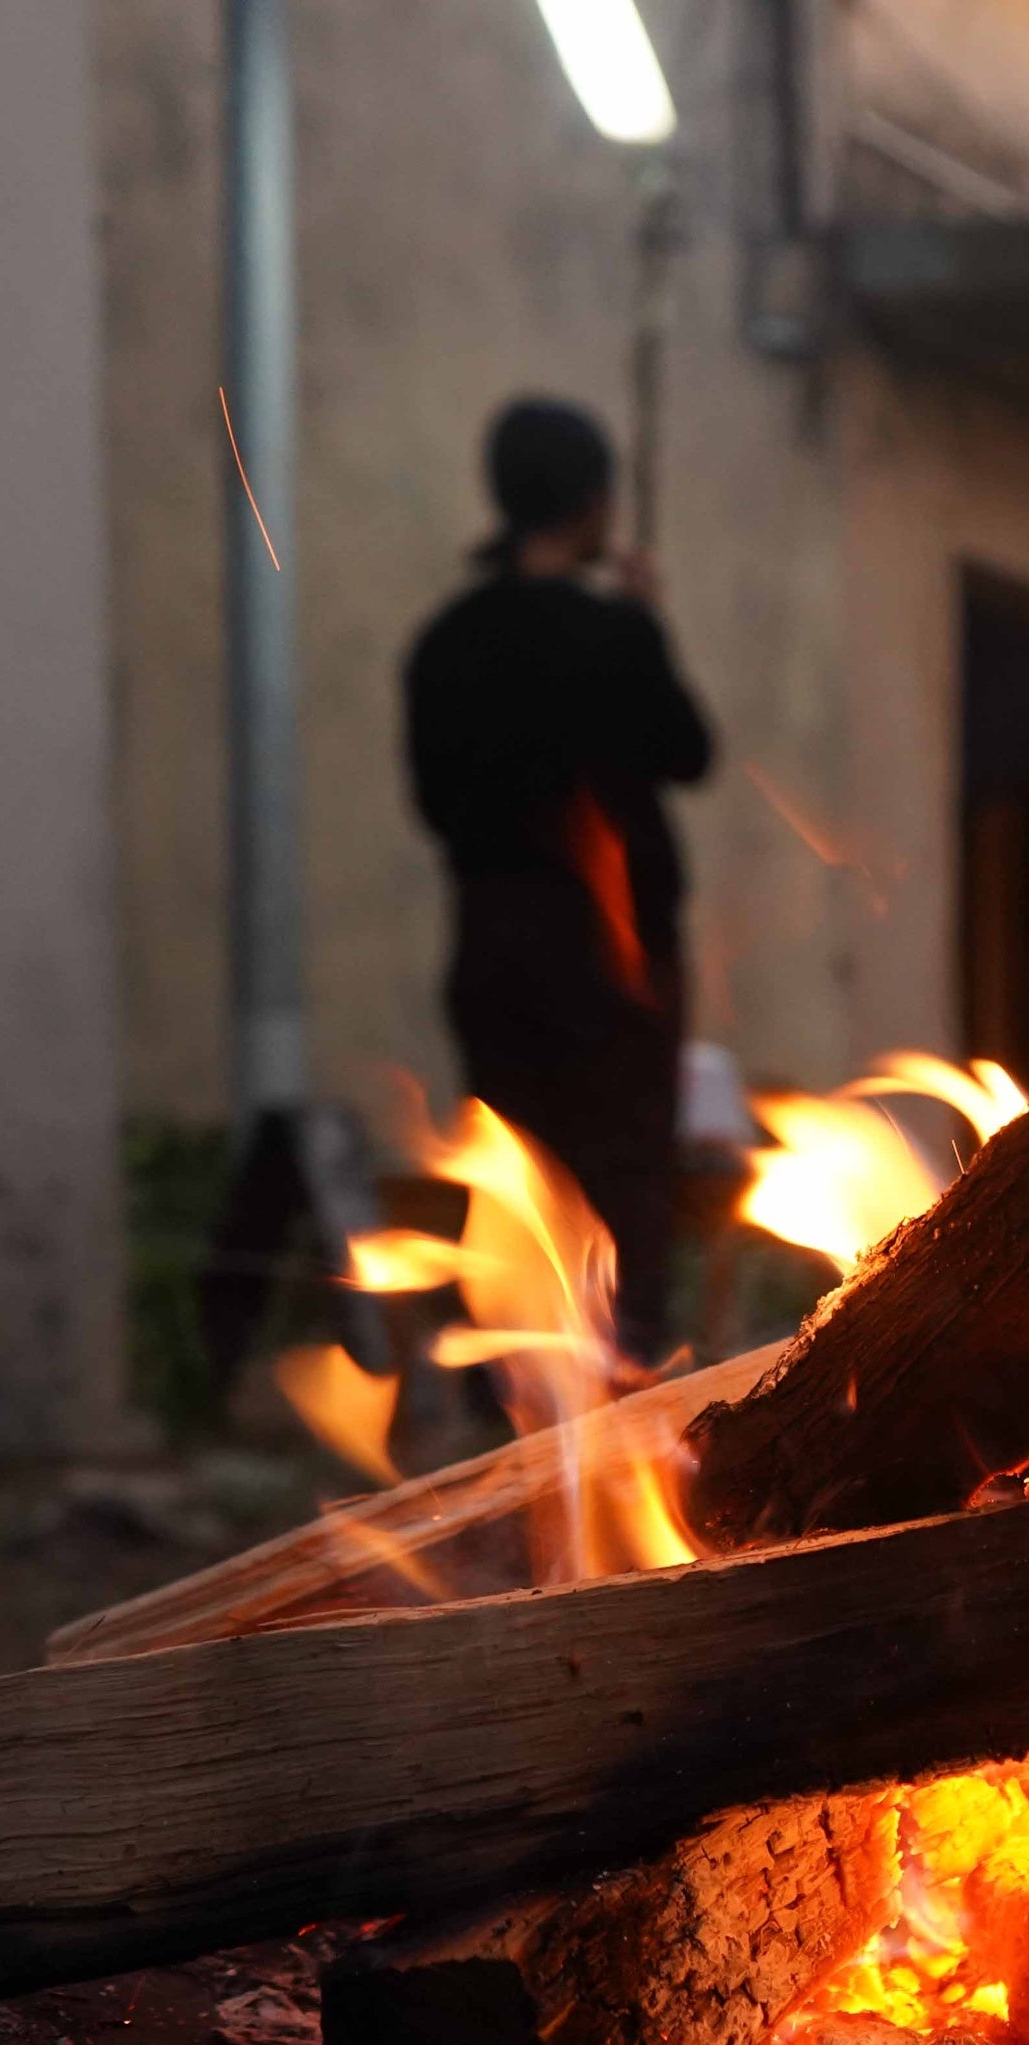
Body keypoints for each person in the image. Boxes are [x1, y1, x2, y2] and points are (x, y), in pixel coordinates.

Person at [405, 397, 713, 1360]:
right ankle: (628, 1394)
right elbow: (688, 752)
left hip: (493, 944)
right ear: (592, 502)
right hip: (614, 953)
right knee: (626, 1178)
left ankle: (508, 1391)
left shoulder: (444, 642)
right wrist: (646, 623)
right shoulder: (614, 637)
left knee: (514, 1175)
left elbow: (433, 802)